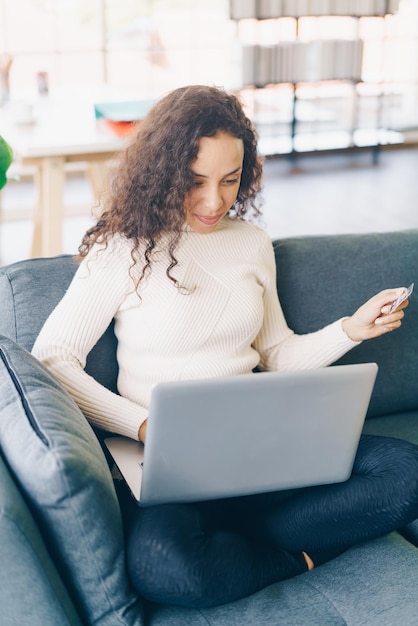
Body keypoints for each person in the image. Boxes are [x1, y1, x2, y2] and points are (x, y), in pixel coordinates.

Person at [32, 84, 418, 609]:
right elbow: (53, 358)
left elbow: (277, 353)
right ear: (163, 172)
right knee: (163, 565)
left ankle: (251, 534)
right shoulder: (123, 249)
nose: (214, 201)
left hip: (261, 445)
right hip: (169, 459)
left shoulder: (251, 244)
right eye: (195, 182)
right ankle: (295, 551)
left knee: (406, 472)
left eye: (230, 180)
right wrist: (145, 425)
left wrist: (349, 329)